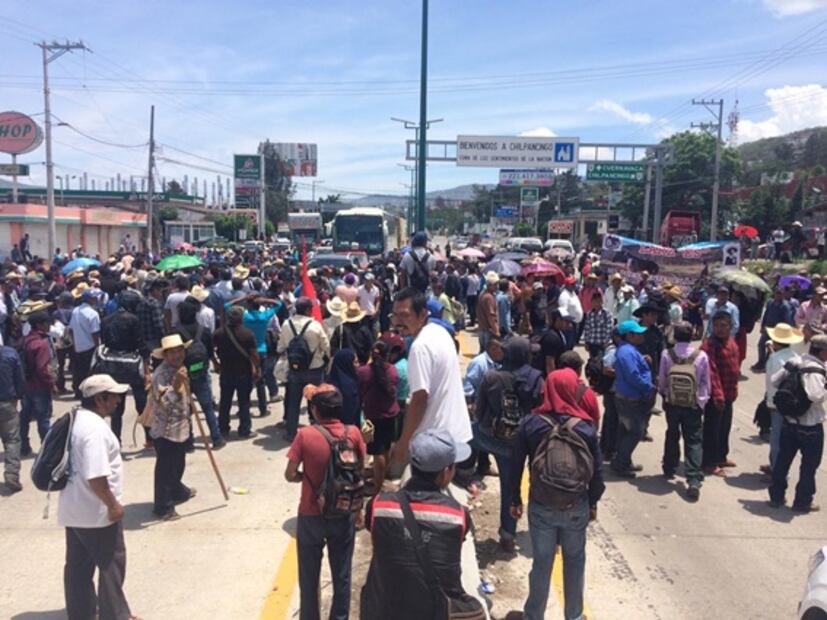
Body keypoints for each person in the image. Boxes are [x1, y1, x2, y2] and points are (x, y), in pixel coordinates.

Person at [508, 368, 605, 620]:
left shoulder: (531, 423)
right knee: (574, 561)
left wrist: (514, 499)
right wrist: (592, 502)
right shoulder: (585, 427)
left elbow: (515, 464)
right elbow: (596, 472)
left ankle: (533, 615)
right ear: (573, 390)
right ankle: (573, 616)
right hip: (576, 505)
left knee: (542, 562)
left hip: (541, 504)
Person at [361, 429, 483, 620]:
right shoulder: (458, 516)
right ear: (445, 473)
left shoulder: (378, 505)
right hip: (432, 612)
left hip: (383, 609)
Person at [285, 384, 365, 620]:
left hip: (311, 513)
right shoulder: (354, 433)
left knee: (309, 576)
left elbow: (289, 474)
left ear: (316, 410)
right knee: (341, 574)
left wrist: (306, 479)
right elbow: (359, 472)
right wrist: (358, 510)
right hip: (343, 511)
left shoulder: (306, 435)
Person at [58, 374, 136, 620]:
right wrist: (113, 505)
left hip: (73, 509)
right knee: (111, 565)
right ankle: (116, 615)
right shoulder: (95, 431)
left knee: (78, 569)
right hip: (97, 513)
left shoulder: (75, 420)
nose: (118, 401)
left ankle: (81, 614)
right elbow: (96, 477)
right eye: (114, 396)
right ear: (100, 399)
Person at [389, 288, 473, 477]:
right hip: (454, 433)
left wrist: (403, 444)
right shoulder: (440, 332)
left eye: (405, 315)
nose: (398, 322)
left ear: (422, 314)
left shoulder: (420, 347)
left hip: (433, 443)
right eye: (395, 315)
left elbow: (420, 399)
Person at [474, 336, 543, 552]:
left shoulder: (491, 377)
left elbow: (479, 411)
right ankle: (507, 535)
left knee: (465, 435)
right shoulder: (536, 379)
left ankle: (465, 473)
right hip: (521, 443)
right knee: (511, 488)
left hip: (492, 438)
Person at [768, 334, 827, 513]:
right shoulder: (816, 370)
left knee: (783, 461)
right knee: (809, 466)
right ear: (823, 351)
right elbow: (816, 396)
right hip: (810, 427)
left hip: (789, 423)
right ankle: (802, 501)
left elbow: (774, 381)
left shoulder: (795, 361)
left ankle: (776, 497)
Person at [657, 321, 710, 500]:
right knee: (694, 439)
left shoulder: (667, 354)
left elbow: (662, 380)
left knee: (672, 433)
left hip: (672, 403)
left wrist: (665, 396)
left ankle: (669, 467)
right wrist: (701, 402)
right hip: (693, 404)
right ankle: (693, 478)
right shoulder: (701, 356)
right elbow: (705, 382)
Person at [149, 334, 196, 521]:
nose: (177, 356)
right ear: (165, 356)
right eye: (172, 353)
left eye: (179, 351)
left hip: (180, 426)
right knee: (165, 469)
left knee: (178, 463)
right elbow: (163, 403)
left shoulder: (181, 368)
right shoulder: (161, 375)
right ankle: (163, 506)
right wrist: (176, 386)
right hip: (165, 430)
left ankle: (177, 490)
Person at [99, 292, 151, 443]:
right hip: (133, 365)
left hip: (113, 366)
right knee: (141, 403)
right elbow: (141, 345)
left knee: (116, 406)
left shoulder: (106, 320)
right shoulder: (133, 320)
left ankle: (116, 440)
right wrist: (147, 370)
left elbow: (104, 344)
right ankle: (149, 438)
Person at [278, 297, 330, 442]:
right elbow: (326, 347)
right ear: (308, 310)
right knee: (315, 402)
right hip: (314, 369)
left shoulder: (286, 324)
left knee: (294, 401)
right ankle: (317, 431)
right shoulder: (315, 326)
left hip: (295, 369)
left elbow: (281, 346)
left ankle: (290, 433)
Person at [175, 300, 224, 449]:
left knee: (185, 410)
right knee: (207, 407)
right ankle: (216, 438)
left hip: (183, 375)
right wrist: (215, 363)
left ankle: (188, 442)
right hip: (201, 372)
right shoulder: (204, 330)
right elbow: (210, 352)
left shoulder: (174, 332)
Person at [611, 319, 654, 477]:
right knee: (636, 432)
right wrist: (648, 386)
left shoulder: (629, 350)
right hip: (630, 398)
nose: (642, 335)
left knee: (625, 430)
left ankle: (624, 460)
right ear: (629, 335)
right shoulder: (626, 352)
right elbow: (633, 376)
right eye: (638, 333)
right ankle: (620, 464)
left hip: (629, 396)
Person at [701, 311, 741, 477]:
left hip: (729, 393)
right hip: (715, 396)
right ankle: (709, 462)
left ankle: (721, 456)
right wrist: (718, 395)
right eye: (717, 325)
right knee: (712, 429)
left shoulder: (731, 342)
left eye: (723, 325)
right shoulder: (709, 346)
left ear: (730, 326)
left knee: (725, 427)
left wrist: (735, 387)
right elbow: (712, 372)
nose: (720, 329)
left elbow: (736, 366)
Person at [358, 340, 400, 492]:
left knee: (377, 452)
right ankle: (380, 477)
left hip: (373, 415)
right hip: (390, 414)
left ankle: (377, 485)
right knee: (386, 448)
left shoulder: (363, 372)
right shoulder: (393, 371)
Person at [763, 323, 804, 475]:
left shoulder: (775, 358)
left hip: (776, 403)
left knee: (776, 440)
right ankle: (775, 465)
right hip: (791, 402)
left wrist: (770, 402)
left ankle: (777, 471)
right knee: (783, 438)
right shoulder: (796, 357)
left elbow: (772, 382)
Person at [214, 305, 260, 440]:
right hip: (243, 372)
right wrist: (257, 368)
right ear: (241, 318)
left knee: (225, 402)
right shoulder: (248, 334)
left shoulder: (218, 333)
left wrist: (215, 363)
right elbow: (254, 355)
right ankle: (244, 430)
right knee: (244, 402)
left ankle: (223, 429)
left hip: (226, 371)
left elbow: (212, 350)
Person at [19, 311, 56, 456]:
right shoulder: (41, 344)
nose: (49, 325)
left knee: (25, 416)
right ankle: (47, 448)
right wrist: (51, 383)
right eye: (47, 322)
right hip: (39, 386)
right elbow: (42, 368)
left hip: (25, 385)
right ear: (40, 324)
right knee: (43, 418)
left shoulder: (24, 340)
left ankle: (23, 445)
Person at [535, 351, 601, 426]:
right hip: (579, 434)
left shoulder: (549, 387)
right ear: (579, 370)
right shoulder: (588, 393)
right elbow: (595, 421)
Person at [0, 342, 24, 492]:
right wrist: (19, 395)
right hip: (7, 402)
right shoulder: (10, 353)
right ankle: (12, 476)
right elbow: (19, 377)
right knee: (12, 440)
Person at [752, 287, 794, 372]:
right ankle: (761, 361)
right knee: (761, 345)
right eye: (777, 293)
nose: (778, 295)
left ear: (782, 295)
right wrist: (762, 326)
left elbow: (787, 320)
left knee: (772, 347)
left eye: (780, 294)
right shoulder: (770, 302)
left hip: (777, 331)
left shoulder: (785, 306)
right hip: (768, 329)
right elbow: (766, 314)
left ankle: (768, 363)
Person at [70, 289, 102, 399]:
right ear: (90, 299)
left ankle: (78, 392)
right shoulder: (93, 314)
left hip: (78, 346)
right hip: (90, 346)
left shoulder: (75, 311)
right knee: (90, 372)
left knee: (78, 371)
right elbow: (95, 332)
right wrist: (98, 347)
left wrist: (74, 344)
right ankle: (89, 394)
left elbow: (71, 330)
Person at [327, 349, 361, 426]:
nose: (358, 365)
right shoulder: (351, 387)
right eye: (355, 362)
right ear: (347, 364)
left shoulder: (328, 383)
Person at [537, 309, 573, 376]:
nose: (569, 324)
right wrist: (553, 381)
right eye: (566, 321)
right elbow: (550, 364)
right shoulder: (551, 337)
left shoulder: (559, 333)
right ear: (558, 320)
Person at [582, 292, 614, 359]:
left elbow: (609, 329)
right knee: (593, 363)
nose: (596, 303)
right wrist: (586, 342)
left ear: (602, 302)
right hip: (592, 343)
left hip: (602, 344)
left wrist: (606, 342)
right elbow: (587, 329)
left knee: (601, 362)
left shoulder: (607, 314)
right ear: (592, 302)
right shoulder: (589, 314)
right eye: (594, 301)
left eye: (598, 301)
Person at [476, 271, 501, 354]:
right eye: (495, 284)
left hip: (482, 329)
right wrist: (496, 330)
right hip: (488, 330)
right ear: (490, 285)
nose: (497, 287)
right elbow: (491, 316)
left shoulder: (482, 294)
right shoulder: (489, 297)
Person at [558, 276, 584, 348]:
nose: (574, 285)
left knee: (572, 344)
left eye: (574, 284)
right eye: (572, 284)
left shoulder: (573, 293)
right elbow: (563, 311)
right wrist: (568, 323)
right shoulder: (564, 296)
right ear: (566, 285)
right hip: (568, 324)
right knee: (567, 345)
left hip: (574, 323)